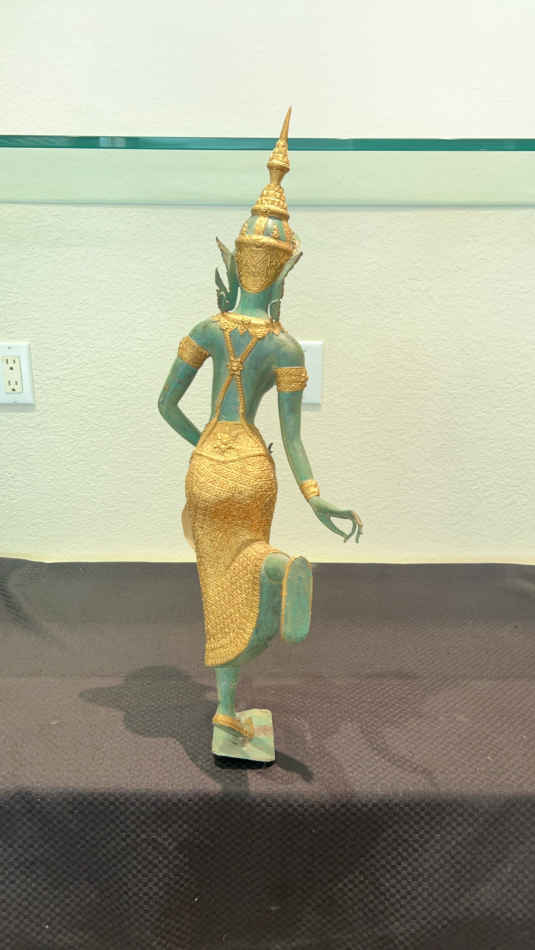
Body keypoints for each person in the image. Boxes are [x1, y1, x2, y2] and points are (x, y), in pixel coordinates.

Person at [158, 108, 362, 742]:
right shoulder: (286, 348)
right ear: (282, 267)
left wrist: (204, 447)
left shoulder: (206, 328)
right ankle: (273, 567)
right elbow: (293, 438)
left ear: (239, 257)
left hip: (208, 467)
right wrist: (316, 497)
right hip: (254, 469)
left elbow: (166, 406)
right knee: (243, 560)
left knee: (215, 581)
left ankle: (226, 704)